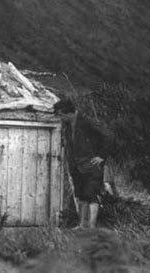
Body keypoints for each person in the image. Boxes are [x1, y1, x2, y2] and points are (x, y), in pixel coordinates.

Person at [54, 98, 115, 229]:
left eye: (60, 115)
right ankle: (82, 225)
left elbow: (108, 136)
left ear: (68, 113)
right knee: (81, 195)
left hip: (91, 166)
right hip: (76, 166)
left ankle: (91, 226)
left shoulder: (86, 121)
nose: (60, 118)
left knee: (92, 195)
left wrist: (101, 156)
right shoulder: (67, 126)